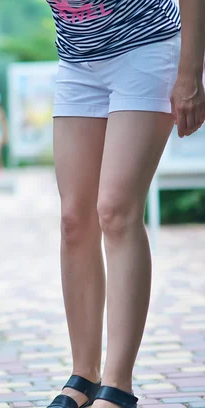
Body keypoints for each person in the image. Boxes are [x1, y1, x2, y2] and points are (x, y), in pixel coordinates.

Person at [44, 1, 205, 408]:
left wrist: (190, 72)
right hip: (77, 59)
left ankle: (118, 385)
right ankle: (83, 376)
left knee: (116, 211)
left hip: (146, 48)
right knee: (73, 220)